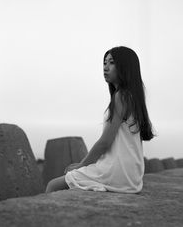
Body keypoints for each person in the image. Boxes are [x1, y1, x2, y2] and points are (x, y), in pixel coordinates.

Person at [45, 46, 155, 194]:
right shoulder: (132, 97)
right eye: (104, 63)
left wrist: (81, 165)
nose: (105, 67)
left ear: (125, 67)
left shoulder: (121, 96)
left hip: (117, 170)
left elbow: (105, 142)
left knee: (53, 185)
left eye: (111, 63)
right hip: (133, 175)